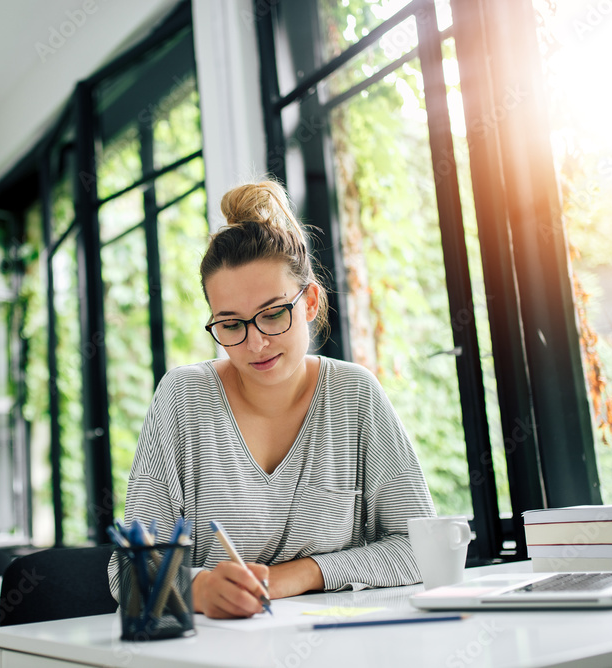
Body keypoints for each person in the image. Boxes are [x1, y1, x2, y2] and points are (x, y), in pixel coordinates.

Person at [109, 179, 435, 619]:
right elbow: (129, 571)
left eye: (274, 313)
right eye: (231, 324)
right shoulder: (183, 397)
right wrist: (198, 588)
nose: (256, 342)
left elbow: (420, 546)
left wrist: (297, 575)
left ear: (311, 302)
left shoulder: (354, 395)